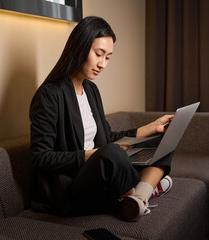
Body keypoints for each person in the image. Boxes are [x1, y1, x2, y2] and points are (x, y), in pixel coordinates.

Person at [29, 16, 174, 221]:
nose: (103, 64)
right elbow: (41, 158)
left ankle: (137, 199)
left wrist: (151, 128)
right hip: (71, 186)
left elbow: (107, 137)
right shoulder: (49, 95)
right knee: (113, 154)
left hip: (101, 170)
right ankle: (145, 190)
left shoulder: (91, 90)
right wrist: (92, 155)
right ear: (79, 47)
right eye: (99, 54)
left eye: (108, 57)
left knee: (162, 141)